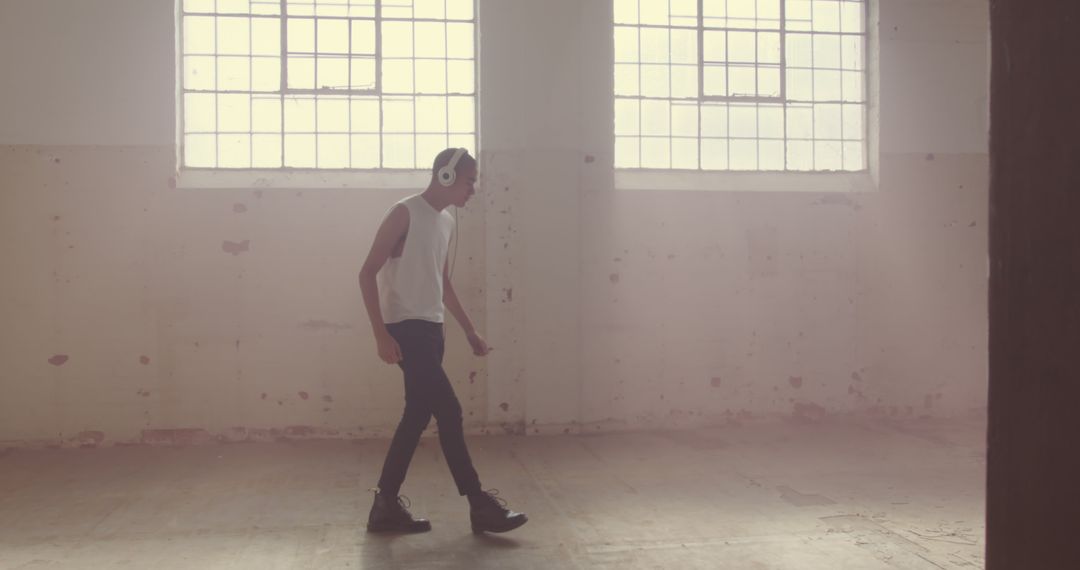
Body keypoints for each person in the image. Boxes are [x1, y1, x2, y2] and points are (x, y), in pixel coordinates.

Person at [357, 148, 528, 534]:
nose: (473, 189)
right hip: (406, 328)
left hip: (432, 330)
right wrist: (380, 334)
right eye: (469, 181)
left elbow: (443, 282)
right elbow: (366, 273)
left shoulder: (446, 221)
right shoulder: (403, 212)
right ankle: (478, 502)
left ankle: (384, 506)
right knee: (449, 410)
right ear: (446, 177)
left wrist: (469, 329)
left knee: (417, 415)